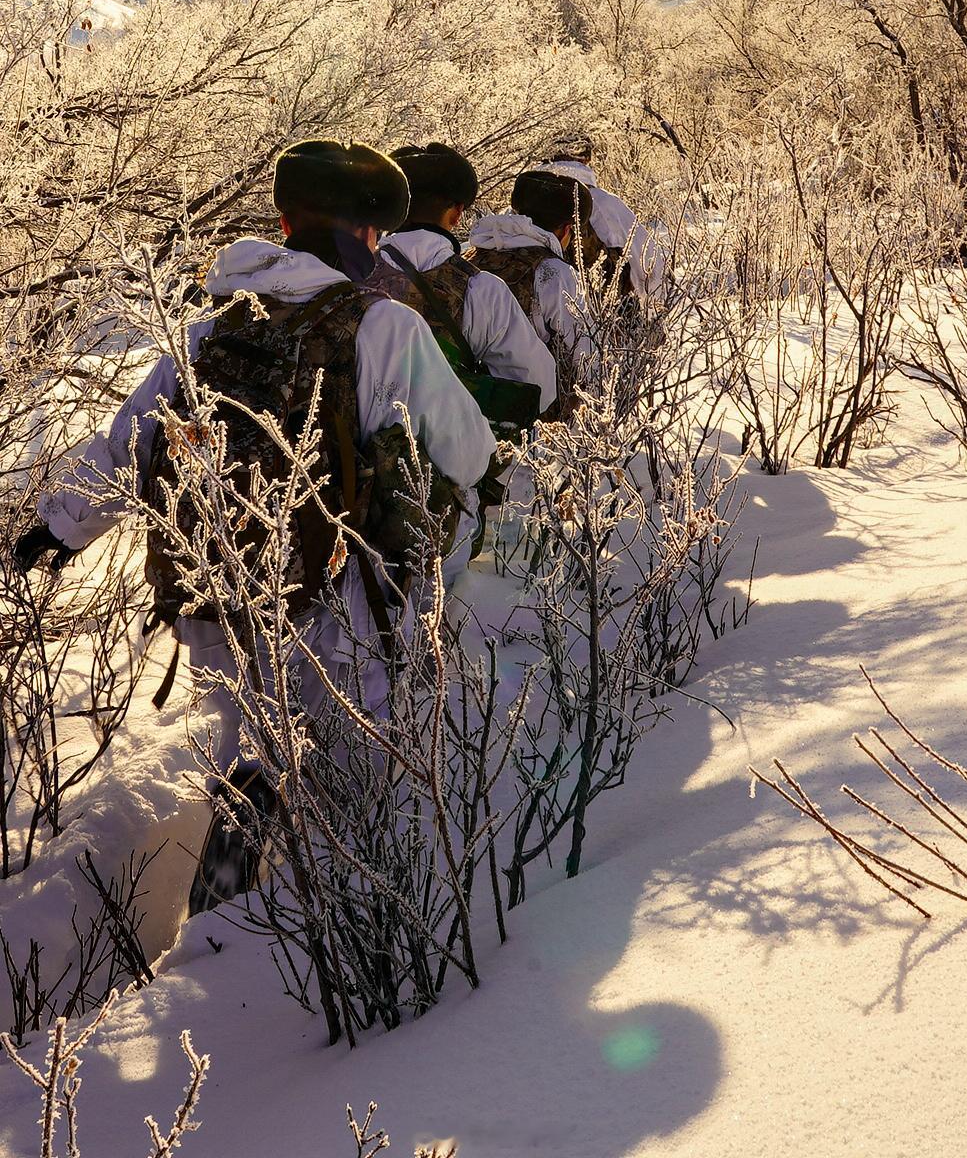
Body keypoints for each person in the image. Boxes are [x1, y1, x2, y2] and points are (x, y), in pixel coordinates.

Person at [16, 139, 496, 910]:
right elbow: (468, 453)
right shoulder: (383, 327)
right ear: (369, 236)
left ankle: (218, 911)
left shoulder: (211, 325)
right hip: (329, 594)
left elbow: (130, 442)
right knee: (337, 755)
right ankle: (319, 922)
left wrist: (57, 529)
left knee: (251, 748)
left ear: (281, 221)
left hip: (214, 582)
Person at [370, 142, 557, 426]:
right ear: (457, 214)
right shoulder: (482, 290)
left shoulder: (350, 275)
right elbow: (538, 388)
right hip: (450, 455)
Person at [467, 169, 594, 410]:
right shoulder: (554, 272)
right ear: (566, 230)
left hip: (467, 400)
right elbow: (584, 352)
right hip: (526, 407)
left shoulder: (469, 255)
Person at [539, 141, 666, 304]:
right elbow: (651, 270)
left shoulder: (519, 207)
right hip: (608, 317)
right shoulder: (603, 204)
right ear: (584, 159)